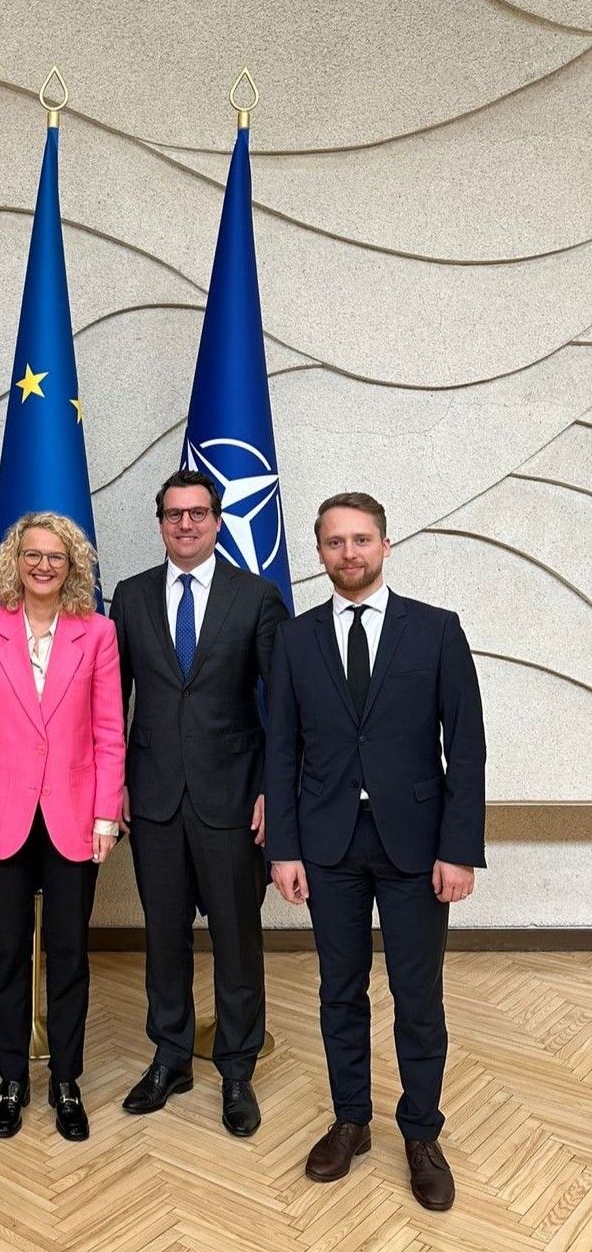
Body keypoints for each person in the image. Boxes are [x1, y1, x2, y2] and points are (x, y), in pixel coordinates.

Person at [265, 492, 485, 1212]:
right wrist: (284, 849)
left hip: (416, 846)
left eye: (361, 539)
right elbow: (281, 750)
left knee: (417, 997)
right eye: (335, 542)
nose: (348, 553)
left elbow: (467, 748)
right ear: (320, 552)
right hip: (327, 844)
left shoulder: (436, 630)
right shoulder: (295, 638)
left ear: (385, 545)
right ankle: (350, 1120)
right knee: (339, 989)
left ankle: (420, 1132)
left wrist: (458, 849)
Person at [109, 468, 287, 1136]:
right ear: (160, 523)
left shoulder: (256, 596)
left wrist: (273, 788)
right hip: (153, 797)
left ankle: (236, 1068)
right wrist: (113, 782)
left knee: (237, 939)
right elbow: (112, 701)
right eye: (173, 514)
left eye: (197, 513)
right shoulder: (130, 596)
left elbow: (284, 703)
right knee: (163, 936)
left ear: (216, 521)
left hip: (233, 798)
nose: (185, 524)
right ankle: (170, 1056)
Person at [0, 512, 125, 1142]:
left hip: (74, 817)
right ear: (15, 561)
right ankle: (11, 1079)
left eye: (56, 556)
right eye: (33, 554)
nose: (44, 565)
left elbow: (110, 731)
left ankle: (65, 1080)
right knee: (6, 952)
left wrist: (106, 813)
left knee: (69, 952)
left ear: (72, 565)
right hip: (1, 811)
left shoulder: (98, 633)